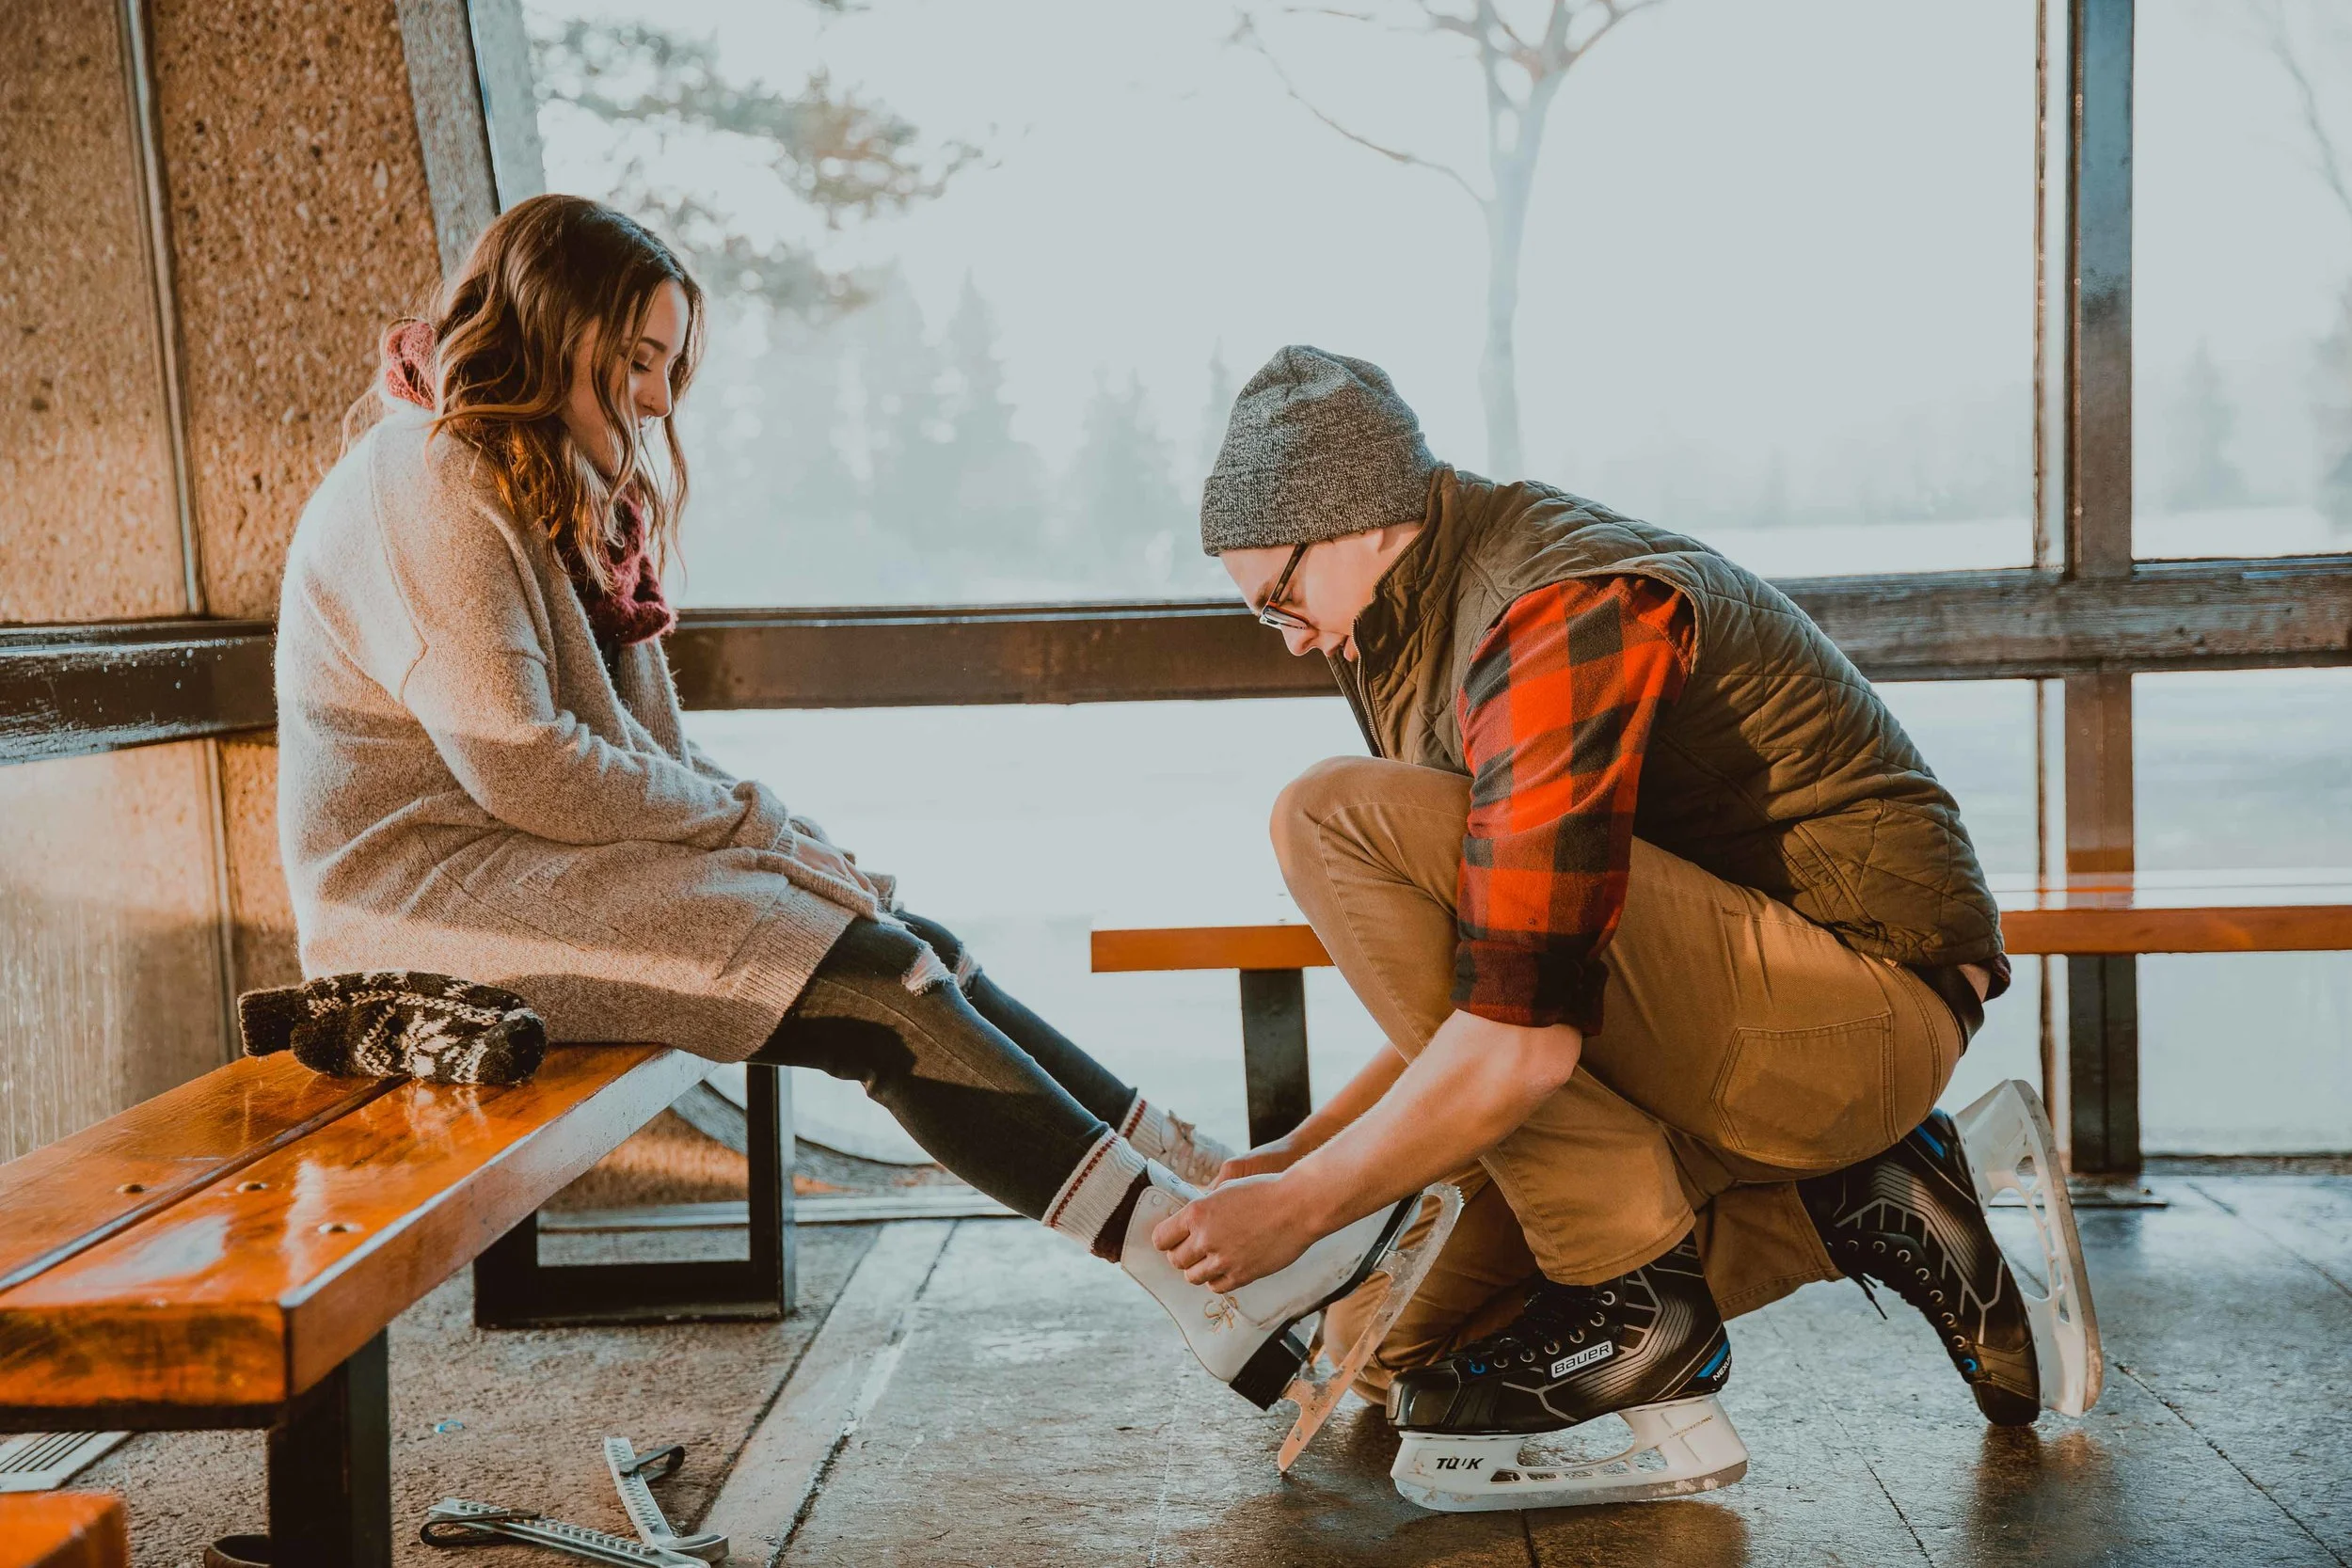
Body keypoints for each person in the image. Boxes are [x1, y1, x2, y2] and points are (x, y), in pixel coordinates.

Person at [272, 197, 1421, 1415]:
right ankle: (1192, 1256)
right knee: (872, 988)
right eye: (642, 362)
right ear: (557, 329)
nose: (660, 401)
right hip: (429, 908)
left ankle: (1197, 1176)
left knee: (901, 942)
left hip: (529, 872)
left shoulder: (555, 490)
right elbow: (531, 766)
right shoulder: (431, 480)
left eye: (669, 368)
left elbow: (646, 750)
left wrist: (782, 837)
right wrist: (757, 827)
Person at [1156, 345, 2101, 1510]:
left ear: (1352, 518)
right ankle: (1856, 1199)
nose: (1290, 636)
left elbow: (1520, 1036)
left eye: (1280, 599)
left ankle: (1637, 1294)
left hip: (1862, 1006)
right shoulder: (1411, 620)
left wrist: (1303, 1208)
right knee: (1388, 1347)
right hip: (1720, 1023)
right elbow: (1495, 974)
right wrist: (1296, 1158)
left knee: (1329, 816)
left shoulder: (1552, 615)